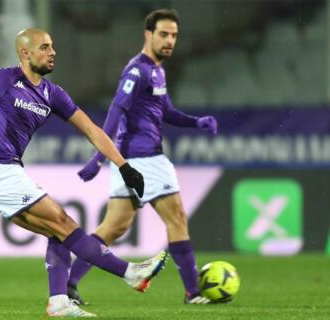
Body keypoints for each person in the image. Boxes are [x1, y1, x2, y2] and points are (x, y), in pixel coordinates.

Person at [0, 28, 168, 317]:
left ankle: (58, 303)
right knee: (62, 219)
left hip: (6, 170)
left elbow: (92, 130)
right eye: (44, 47)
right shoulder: (2, 79)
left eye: (52, 46)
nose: (52, 52)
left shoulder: (52, 94)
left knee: (58, 233)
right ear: (25, 53)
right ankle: (130, 273)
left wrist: (124, 165)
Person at [66, 9, 218, 305]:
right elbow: (116, 109)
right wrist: (98, 157)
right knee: (177, 218)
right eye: (163, 34)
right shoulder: (138, 70)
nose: (170, 40)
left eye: (174, 35)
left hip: (130, 159)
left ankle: (69, 285)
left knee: (114, 226)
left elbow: (167, 112)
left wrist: (195, 122)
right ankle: (193, 292)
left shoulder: (157, 70)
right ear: (147, 35)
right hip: (145, 157)